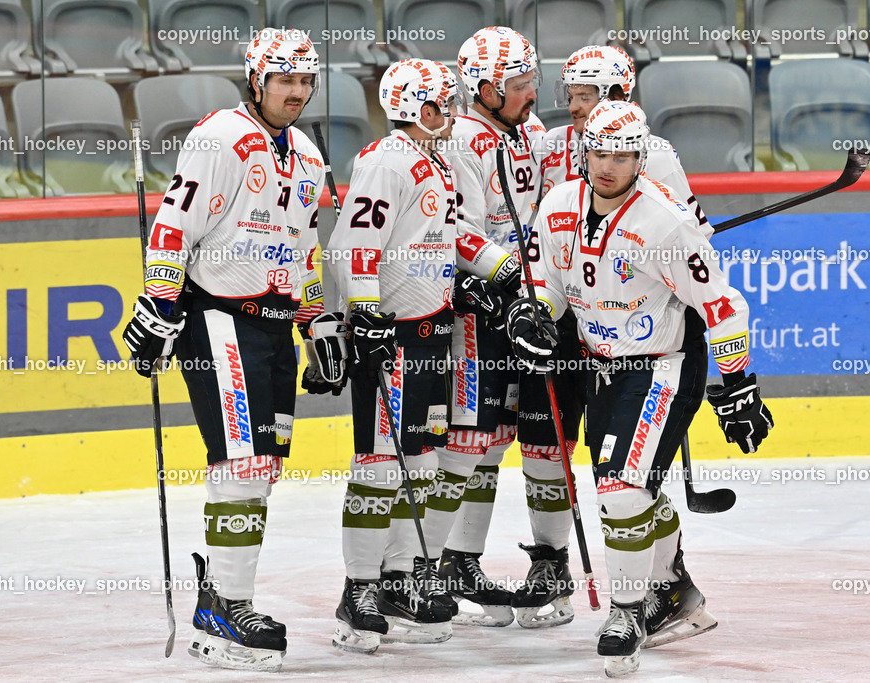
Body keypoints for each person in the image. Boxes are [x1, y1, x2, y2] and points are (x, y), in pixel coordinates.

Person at [508, 99, 773, 676]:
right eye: (598, 152)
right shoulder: (557, 206)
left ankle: (627, 612)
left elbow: (724, 308)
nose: (607, 165)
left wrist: (739, 386)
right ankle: (673, 589)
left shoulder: (667, 221)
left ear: (639, 157)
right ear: (584, 152)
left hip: (661, 367)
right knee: (633, 494)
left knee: (620, 492)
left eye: (621, 155)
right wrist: (537, 317)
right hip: (600, 368)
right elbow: (547, 284)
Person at [121, 28, 340, 672]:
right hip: (216, 318)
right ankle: (224, 608)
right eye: (285, 81)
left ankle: (224, 596)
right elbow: (172, 224)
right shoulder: (218, 137)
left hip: (273, 327)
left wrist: (315, 321)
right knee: (240, 464)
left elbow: (303, 248)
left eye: (305, 82)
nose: (297, 93)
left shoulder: (305, 153)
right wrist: (160, 305)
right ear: (257, 80)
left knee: (263, 469)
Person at [410, 26, 578, 630]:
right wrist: (513, 273)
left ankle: (459, 559)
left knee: (499, 438)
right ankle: (423, 569)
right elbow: (458, 232)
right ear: (484, 88)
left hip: (529, 303)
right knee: (467, 438)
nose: (532, 93)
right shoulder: (459, 142)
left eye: (534, 80)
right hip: (482, 310)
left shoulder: (529, 132)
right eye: (519, 84)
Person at [324, 58, 466, 655]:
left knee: (423, 461)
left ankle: (401, 577)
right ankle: (357, 590)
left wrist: (499, 272)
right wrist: (365, 315)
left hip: (432, 333)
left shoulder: (434, 162)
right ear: (422, 109)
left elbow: (446, 242)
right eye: (445, 103)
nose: (453, 113)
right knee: (381, 467)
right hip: (392, 338)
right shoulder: (387, 161)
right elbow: (352, 246)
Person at [539, 45, 709, 235]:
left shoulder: (657, 153)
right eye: (570, 97)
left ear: (617, 97)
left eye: (584, 98)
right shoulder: (553, 143)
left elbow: (694, 234)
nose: (572, 108)